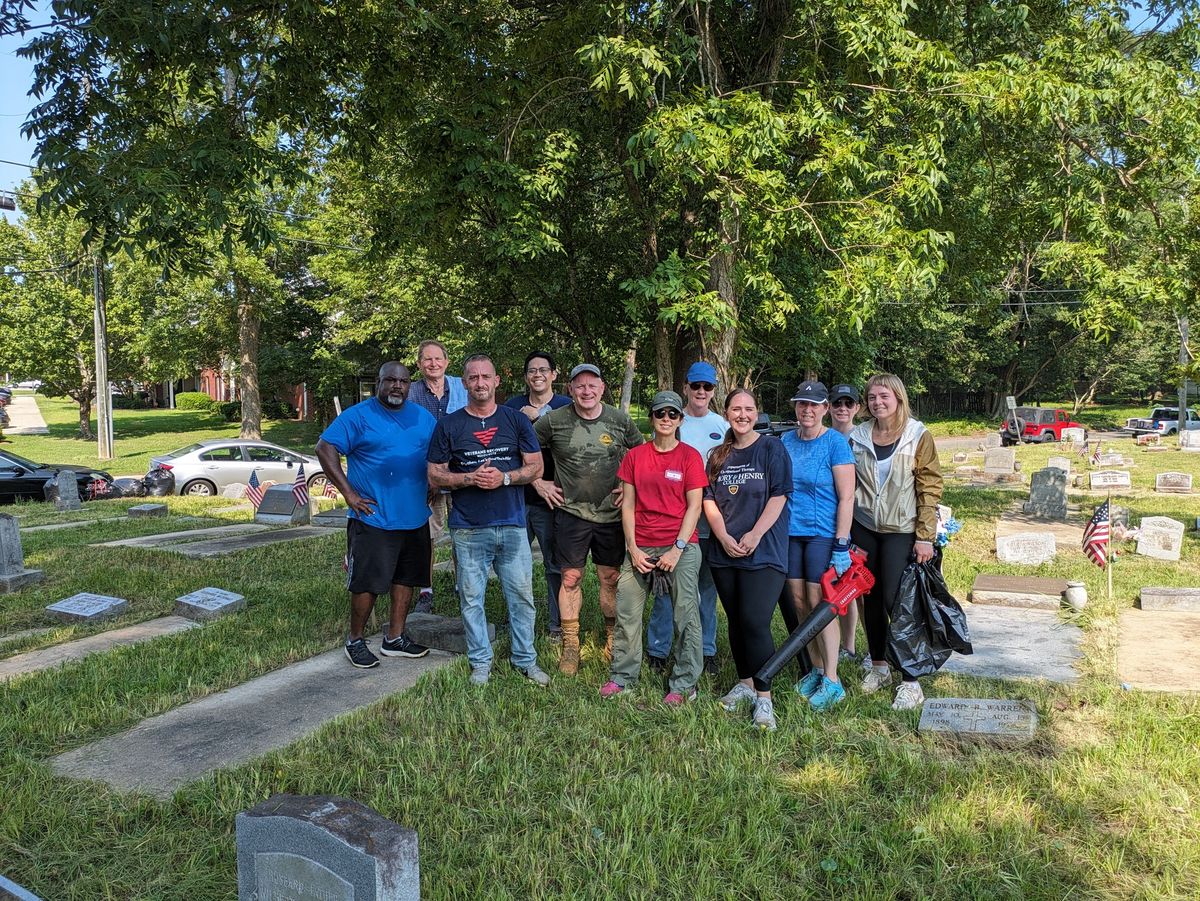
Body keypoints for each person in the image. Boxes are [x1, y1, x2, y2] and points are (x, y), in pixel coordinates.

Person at [427, 354, 549, 686]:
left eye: (486, 377)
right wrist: (468, 479)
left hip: (512, 523)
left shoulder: (515, 420)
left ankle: (526, 660)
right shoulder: (449, 425)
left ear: (496, 381)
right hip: (468, 527)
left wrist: (505, 478)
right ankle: (480, 662)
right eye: (473, 378)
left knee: (521, 596)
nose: (480, 383)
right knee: (471, 599)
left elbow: (536, 467)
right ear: (464, 383)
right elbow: (435, 475)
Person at [315, 362, 435, 669]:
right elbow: (325, 447)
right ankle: (355, 640)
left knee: (406, 579)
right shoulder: (358, 416)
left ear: (411, 385)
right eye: (390, 380)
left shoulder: (423, 417)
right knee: (367, 583)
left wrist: (434, 484)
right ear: (379, 383)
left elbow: (435, 456)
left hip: (415, 517)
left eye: (403, 381)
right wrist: (349, 494)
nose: (397, 386)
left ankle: (395, 638)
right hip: (373, 517)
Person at [532, 364, 643, 675]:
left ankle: (612, 638)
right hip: (571, 513)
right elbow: (524, 447)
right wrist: (538, 482)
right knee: (570, 578)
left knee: (610, 578)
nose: (586, 391)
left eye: (592, 385)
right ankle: (570, 644)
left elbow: (643, 454)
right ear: (571, 390)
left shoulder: (619, 420)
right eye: (579, 385)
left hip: (610, 514)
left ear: (602, 388)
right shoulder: (553, 421)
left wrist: (628, 486)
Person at [601, 391, 707, 705]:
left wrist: (677, 548)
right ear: (652, 418)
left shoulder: (689, 457)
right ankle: (622, 677)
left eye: (672, 414)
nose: (665, 419)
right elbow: (628, 506)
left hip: (681, 547)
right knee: (627, 612)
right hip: (641, 546)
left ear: (680, 420)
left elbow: (695, 508)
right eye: (660, 413)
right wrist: (632, 549)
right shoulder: (636, 457)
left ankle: (685, 684)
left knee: (684, 616)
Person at [849, 373, 943, 711]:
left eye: (884, 396)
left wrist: (925, 536)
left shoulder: (918, 435)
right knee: (869, 598)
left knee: (896, 600)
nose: (877, 402)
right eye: (872, 397)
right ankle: (878, 666)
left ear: (898, 398)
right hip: (864, 527)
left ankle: (911, 679)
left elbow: (929, 487)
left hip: (901, 529)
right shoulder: (858, 436)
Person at [703, 389, 792, 730]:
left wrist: (754, 534)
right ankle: (745, 683)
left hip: (764, 550)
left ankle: (765, 699)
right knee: (737, 621)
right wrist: (723, 537)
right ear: (726, 413)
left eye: (748, 409)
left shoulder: (772, 448)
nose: (742, 414)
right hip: (724, 553)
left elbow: (779, 495)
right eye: (736, 409)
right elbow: (709, 501)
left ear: (757, 413)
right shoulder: (716, 456)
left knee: (755, 621)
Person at [645, 362, 728, 676]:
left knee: (706, 588)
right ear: (686, 388)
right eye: (696, 386)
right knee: (666, 586)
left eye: (707, 387)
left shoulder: (722, 425)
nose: (701, 393)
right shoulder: (672, 421)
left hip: (711, 519)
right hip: (675, 521)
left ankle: (706, 650)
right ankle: (658, 648)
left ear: (713, 390)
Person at [779, 380, 856, 711]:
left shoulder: (835, 444)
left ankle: (833, 679)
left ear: (825, 409)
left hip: (823, 533)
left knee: (820, 602)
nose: (807, 410)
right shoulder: (785, 441)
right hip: (790, 532)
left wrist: (841, 542)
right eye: (801, 404)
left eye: (814, 405)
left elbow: (847, 496)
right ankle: (815, 669)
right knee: (798, 602)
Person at [503, 351, 572, 641]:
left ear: (554, 374)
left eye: (544, 369)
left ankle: (557, 624)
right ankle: (516, 621)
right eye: (532, 370)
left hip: (552, 500)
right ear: (525, 377)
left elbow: (570, 445)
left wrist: (540, 417)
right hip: (517, 499)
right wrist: (536, 482)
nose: (538, 375)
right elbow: (506, 453)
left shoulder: (566, 406)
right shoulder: (512, 407)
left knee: (554, 564)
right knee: (512, 565)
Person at [409, 339, 468, 613]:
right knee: (427, 534)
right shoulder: (411, 393)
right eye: (427, 359)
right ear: (419, 364)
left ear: (446, 362)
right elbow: (409, 437)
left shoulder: (462, 387)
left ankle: (463, 584)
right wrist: (428, 476)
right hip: (425, 474)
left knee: (463, 531)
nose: (433, 364)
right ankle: (425, 590)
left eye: (438, 359)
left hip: (460, 473)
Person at [828, 383, 864, 663]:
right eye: (837, 403)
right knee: (843, 586)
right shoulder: (824, 437)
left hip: (861, 519)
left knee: (859, 588)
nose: (842, 409)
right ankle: (847, 646)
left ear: (857, 408)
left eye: (848, 404)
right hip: (832, 518)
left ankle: (858, 645)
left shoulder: (862, 438)